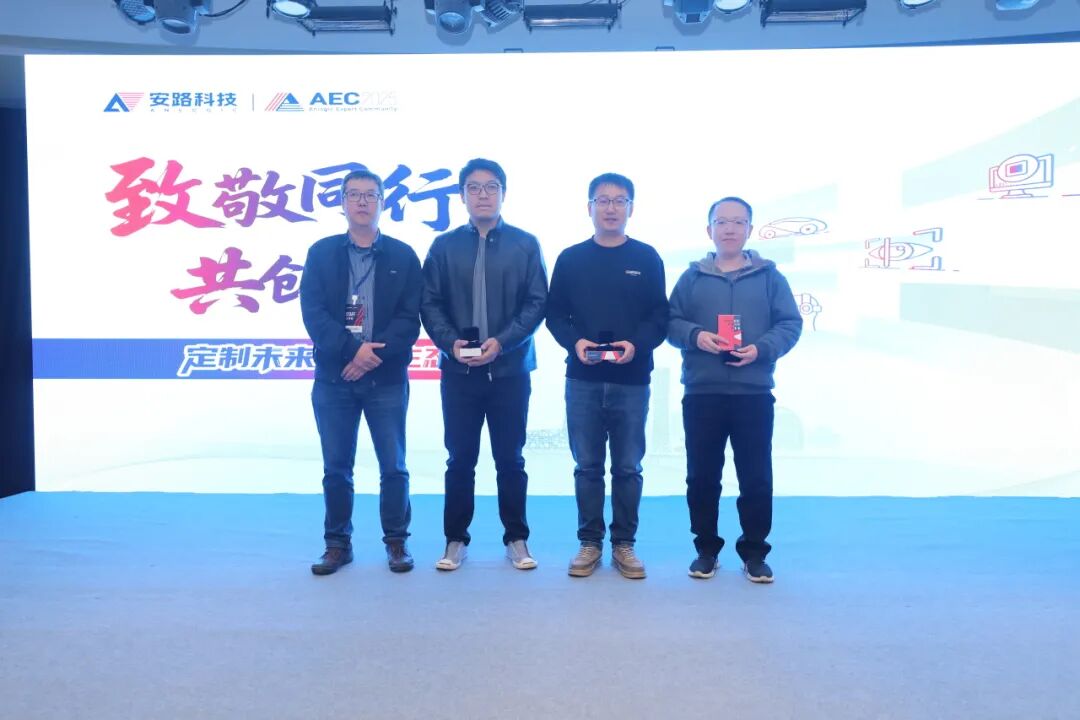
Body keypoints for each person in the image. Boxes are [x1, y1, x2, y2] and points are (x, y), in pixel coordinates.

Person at [420, 158, 548, 571]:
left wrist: (503, 342)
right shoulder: (443, 246)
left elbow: (536, 303)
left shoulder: (525, 244)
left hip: (510, 371)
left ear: (503, 194)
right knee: (460, 460)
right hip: (459, 372)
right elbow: (429, 303)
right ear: (462, 196)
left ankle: (517, 539)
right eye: (473, 188)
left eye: (491, 187)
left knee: (511, 460)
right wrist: (449, 343)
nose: (482, 195)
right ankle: (455, 540)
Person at [667, 196, 802, 583]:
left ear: (749, 229)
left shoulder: (770, 277)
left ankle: (754, 552)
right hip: (702, 393)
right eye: (721, 222)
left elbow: (790, 324)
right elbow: (670, 322)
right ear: (709, 229)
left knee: (756, 477)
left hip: (753, 393)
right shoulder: (692, 278)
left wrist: (761, 349)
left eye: (738, 222)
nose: (729, 229)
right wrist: (696, 336)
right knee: (702, 477)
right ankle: (706, 550)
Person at [300, 169, 423, 576]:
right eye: (354, 194)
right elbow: (314, 313)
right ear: (342, 203)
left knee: (394, 466)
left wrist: (371, 356)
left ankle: (397, 542)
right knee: (337, 468)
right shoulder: (322, 253)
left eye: (371, 195)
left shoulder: (403, 255)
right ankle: (337, 544)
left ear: (383, 202)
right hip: (334, 378)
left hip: (385, 378)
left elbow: (410, 318)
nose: (362, 202)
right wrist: (353, 351)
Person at [546, 173, 668, 579]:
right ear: (589, 208)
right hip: (582, 377)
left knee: (628, 467)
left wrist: (636, 345)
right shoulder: (571, 258)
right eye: (603, 200)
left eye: (619, 201)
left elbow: (659, 317)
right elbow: (554, 314)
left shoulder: (647, 257)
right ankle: (589, 543)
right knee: (587, 466)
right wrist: (575, 342)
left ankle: (624, 545)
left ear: (631, 208)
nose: (611, 208)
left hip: (632, 379)